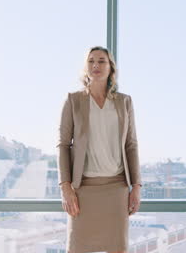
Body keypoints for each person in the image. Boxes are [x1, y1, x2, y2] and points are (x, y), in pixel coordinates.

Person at [57, 46, 141, 253]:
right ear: (85, 68)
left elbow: (131, 145)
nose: (96, 65)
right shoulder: (73, 100)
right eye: (91, 61)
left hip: (116, 188)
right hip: (82, 189)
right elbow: (63, 144)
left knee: (118, 249)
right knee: (76, 248)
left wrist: (136, 186)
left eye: (102, 61)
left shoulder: (124, 102)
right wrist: (65, 187)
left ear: (111, 68)